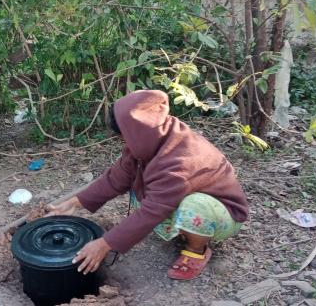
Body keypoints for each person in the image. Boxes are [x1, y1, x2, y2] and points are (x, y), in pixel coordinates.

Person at [47, 90, 249, 280]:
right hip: (184, 197)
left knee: (193, 207)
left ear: (137, 132)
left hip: (224, 214)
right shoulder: (154, 138)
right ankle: (186, 230)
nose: (122, 142)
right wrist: (75, 202)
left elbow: (152, 210)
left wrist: (104, 244)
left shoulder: (180, 162)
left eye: (123, 136)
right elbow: (115, 178)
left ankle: (197, 251)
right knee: (142, 195)